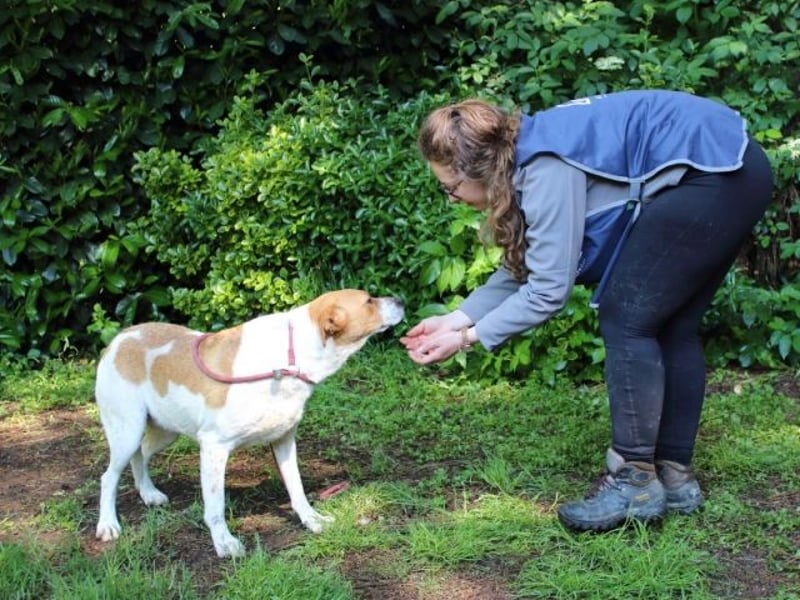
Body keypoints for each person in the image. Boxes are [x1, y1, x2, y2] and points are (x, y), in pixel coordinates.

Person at [399, 90, 773, 531]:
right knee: (671, 323)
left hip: (715, 174)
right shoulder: (527, 152)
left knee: (626, 314)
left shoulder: (544, 169)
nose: (453, 197)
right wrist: (457, 317)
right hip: (735, 167)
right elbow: (533, 267)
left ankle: (634, 480)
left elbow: (547, 291)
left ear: (477, 169)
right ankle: (674, 478)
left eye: (451, 187)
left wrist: (466, 340)